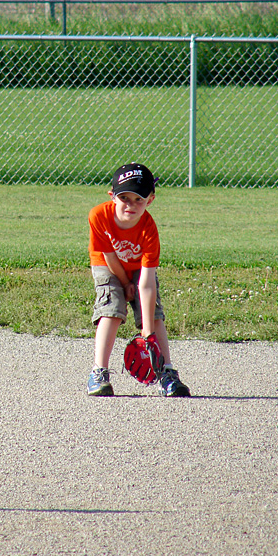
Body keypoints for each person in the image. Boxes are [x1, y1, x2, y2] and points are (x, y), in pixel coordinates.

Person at [87, 162, 190, 397]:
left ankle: (167, 372)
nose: (131, 205)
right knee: (111, 309)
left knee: (154, 315)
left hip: (139, 270)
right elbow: (109, 256)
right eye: (124, 197)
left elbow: (146, 283)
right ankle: (98, 373)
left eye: (139, 199)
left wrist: (147, 332)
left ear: (150, 200)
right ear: (112, 196)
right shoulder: (99, 216)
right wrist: (124, 284)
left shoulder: (149, 229)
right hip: (107, 264)